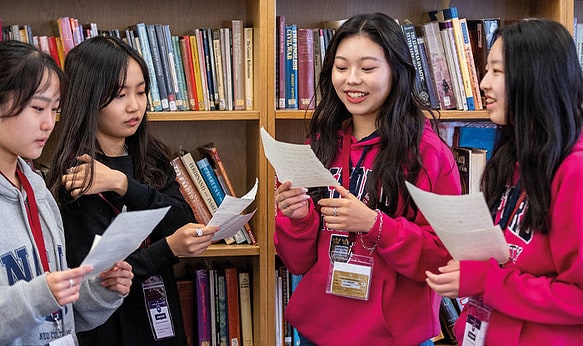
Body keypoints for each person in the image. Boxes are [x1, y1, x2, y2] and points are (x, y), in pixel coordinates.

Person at [274, 13, 461, 345]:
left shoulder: (429, 155)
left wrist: (376, 225)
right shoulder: (318, 145)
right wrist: (298, 219)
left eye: (368, 68)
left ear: (396, 72)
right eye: (342, 68)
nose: (352, 80)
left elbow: (443, 259)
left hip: (394, 336)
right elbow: (297, 262)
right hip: (318, 332)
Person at [46, 35, 217, 345]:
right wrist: (167, 250)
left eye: (141, 92)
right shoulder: (75, 173)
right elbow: (96, 274)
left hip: (161, 314)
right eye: (120, 95)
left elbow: (182, 220)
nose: (135, 106)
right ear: (88, 98)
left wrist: (122, 184)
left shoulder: (151, 156)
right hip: (109, 327)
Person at [425, 19, 583, 345]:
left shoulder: (575, 172)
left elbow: (577, 297)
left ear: (535, 77)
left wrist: (486, 281)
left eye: (497, 72)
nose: (483, 83)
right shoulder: (515, 157)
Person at [0, 40, 134, 345]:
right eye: (37, 108)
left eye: (54, 110)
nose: (48, 124)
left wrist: (100, 288)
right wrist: (41, 294)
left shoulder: (38, 190)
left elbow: (59, 313)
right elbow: (40, 298)